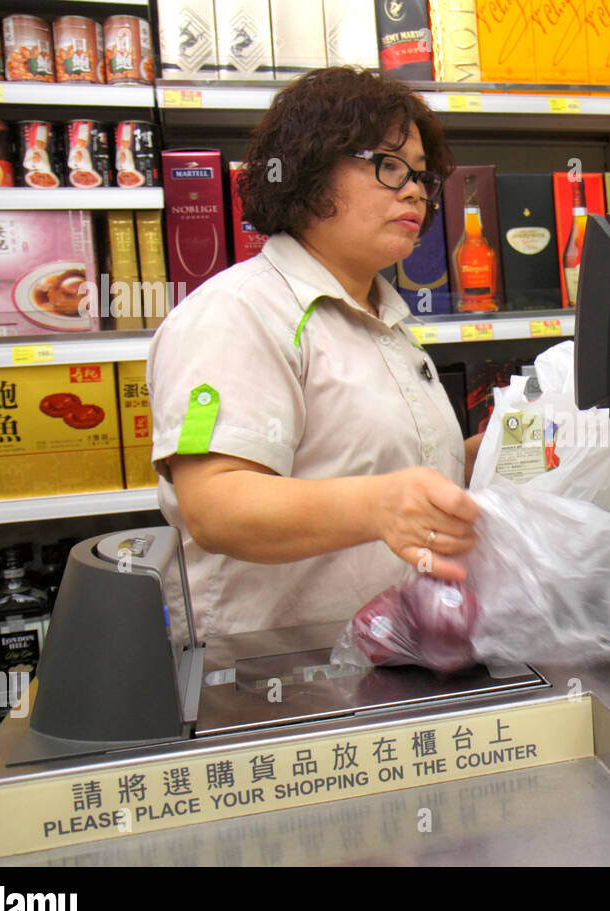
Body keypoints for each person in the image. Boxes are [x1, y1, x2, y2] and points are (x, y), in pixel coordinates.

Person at [148, 67, 481, 641]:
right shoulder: (237, 312)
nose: (414, 191)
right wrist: (379, 505)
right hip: (272, 679)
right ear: (308, 171)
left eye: (422, 175)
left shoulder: (383, 318)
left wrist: (501, 447)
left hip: (388, 660)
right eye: (387, 164)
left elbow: (381, 470)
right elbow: (214, 505)